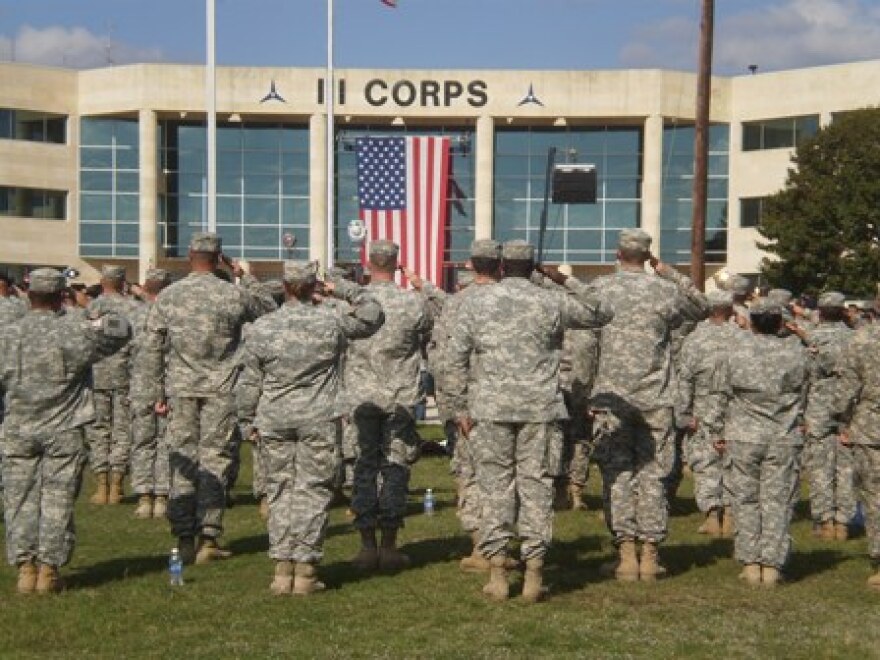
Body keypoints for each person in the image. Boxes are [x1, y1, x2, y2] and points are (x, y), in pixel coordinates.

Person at [446, 240, 613, 602]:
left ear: (503, 267)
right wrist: (563, 279)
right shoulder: (549, 300)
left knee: (495, 486)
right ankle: (534, 573)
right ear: (533, 266)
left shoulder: (476, 301)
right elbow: (601, 312)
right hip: (540, 409)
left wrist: (460, 408)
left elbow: (454, 358)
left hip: (490, 408)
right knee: (536, 486)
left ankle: (498, 573)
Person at [237, 262, 384, 595]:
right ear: (311, 286)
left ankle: (282, 568)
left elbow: (248, 381)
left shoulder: (263, 327)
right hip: (318, 417)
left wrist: (247, 420)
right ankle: (304, 569)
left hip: (274, 417)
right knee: (312, 490)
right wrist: (344, 288)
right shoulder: (330, 320)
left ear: (286, 287)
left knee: (279, 490)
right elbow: (373, 314)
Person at [134, 233, 274, 564]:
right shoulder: (232, 294)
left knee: (182, 457)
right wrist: (243, 274)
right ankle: (209, 536)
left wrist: (155, 392)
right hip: (221, 389)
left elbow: (152, 347)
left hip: (181, 389)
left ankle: (185, 534)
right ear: (219, 257)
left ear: (189, 256)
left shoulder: (169, 297)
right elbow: (268, 308)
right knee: (215, 458)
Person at [0, 268, 130, 594]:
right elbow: (122, 328)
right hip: (64, 427)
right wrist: (86, 313)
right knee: (57, 499)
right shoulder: (76, 331)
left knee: (18, 499)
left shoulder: (8, 333)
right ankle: (49, 570)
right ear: (62, 296)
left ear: (28, 294)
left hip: (18, 427)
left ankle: (25, 568)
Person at [589, 229, 708, 582]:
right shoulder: (665, 290)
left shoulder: (600, 289)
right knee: (654, 474)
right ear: (648, 256)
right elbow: (702, 307)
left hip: (613, 397)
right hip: (656, 397)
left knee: (618, 474)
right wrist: (667, 272)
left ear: (617, 253)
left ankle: (626, 554)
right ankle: (650, 555)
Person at [346, 240, 433, 572]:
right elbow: (424, 339)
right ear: (397, 264)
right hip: (399, 395)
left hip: (362, 395)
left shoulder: (353, 302)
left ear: (369, 263)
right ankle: (389, 545)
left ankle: (368, 546)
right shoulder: (413, 303)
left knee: (365, 466)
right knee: (395, 465)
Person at [709, 299, 809, 586]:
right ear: (780, 323)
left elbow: (718, 396)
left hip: (743, 436)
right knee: (777, 501)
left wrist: (716, 433)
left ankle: (751, 562)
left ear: (751, 322)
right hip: (782, 437)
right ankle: (772, 565)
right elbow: (810, 387)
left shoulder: (733, 353)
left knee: (745, 500)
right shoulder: (796, 355)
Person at [676, 289, 739, 536]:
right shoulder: (742, 338)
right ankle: (731, 514)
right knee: (733, 462)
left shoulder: (694, 340)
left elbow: (685, 379)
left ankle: (713, 515)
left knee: (705, 461)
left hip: (703, 407)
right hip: (734, 408)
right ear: (731, 310)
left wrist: (684, 413)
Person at [86, 265, 143, 505]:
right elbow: (139, 345)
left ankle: (102, 485)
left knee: (99, 429)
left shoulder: (90, 308)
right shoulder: (133, 308)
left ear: (102, 281)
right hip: (124, 376)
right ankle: (117, 484)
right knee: (122, 430)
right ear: (123, 282)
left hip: (96, 376)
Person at [834, 301, 880, 589]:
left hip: (870, 428)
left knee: (875, 497)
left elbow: (846, 390)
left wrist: (841, 419)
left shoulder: (862, 340)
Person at [802, 292, 855, 540]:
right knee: (846, 466)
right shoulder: (855, 337)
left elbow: (805, 375)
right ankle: (843, 521)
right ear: (843, 310)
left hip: (819, 405)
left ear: (820, 312)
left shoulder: (813, 338)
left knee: (820, 465)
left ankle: (824, 520)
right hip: (849, 404)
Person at [128, 268, 173, 519]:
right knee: (166, 441)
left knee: (142, 441)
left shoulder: (133, 315)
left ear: (145, 287)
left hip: (140, 385)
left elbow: (123, 353)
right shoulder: (175, 316)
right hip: (167, 384)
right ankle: (162, 496)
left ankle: (144, 496)